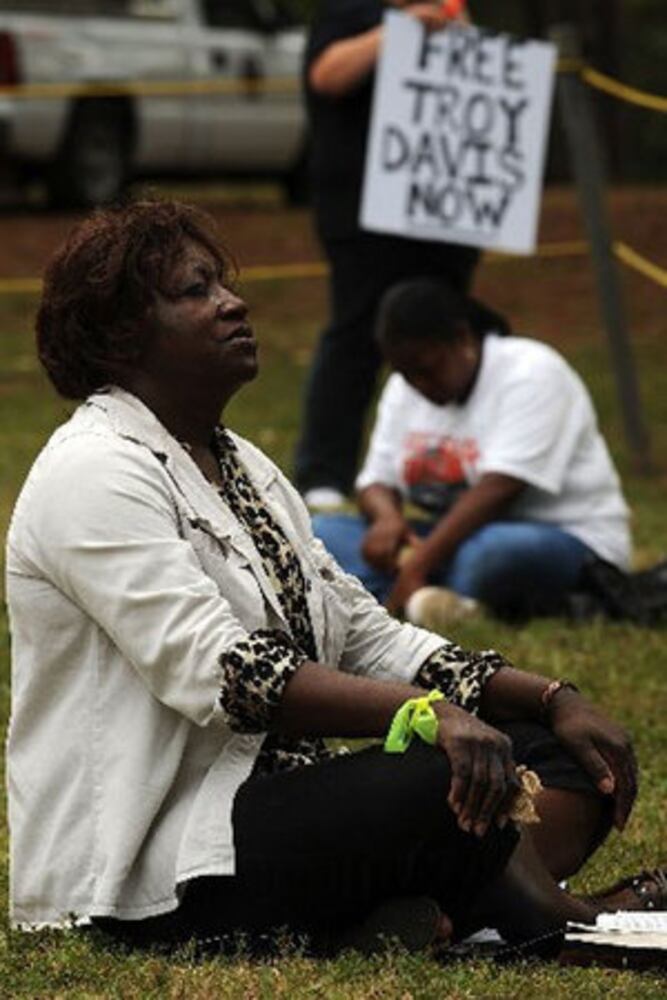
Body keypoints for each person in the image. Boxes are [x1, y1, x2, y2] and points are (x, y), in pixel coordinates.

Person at [6, 200, 663, 960]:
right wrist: (427, 712)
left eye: (222, 283)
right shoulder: (94, 469)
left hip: (274, 813)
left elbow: (361, 631)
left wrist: (549, 697)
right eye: (195, 291)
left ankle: (412, 911)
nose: (232, 302)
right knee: (433, 774)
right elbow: (229, 673)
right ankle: (564, 920)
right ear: (121, 335)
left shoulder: (241, 464)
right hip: (158, 858)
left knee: (545, 751)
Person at [312, 278, 632, 624]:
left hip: (557, 535)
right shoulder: (403, 387)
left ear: (463, 338)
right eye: (405, 374)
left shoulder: (532, 372)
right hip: (445, 540)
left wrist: (417, 563)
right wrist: (387, 519)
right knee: (320, 534)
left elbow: (500, 489)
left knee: (491, 555)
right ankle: (442, 600)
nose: (418, 385)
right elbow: (375, 482)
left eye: (428, 370)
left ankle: (412, 590)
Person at [294, 0, 484, 508]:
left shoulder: (451, 12)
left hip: (442, 213)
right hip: (363, 213)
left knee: (447, 333)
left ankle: (449, 467)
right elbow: (328, 75)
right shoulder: (350, 11)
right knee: (356, 336)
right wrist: (401, 31)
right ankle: (324, 474)